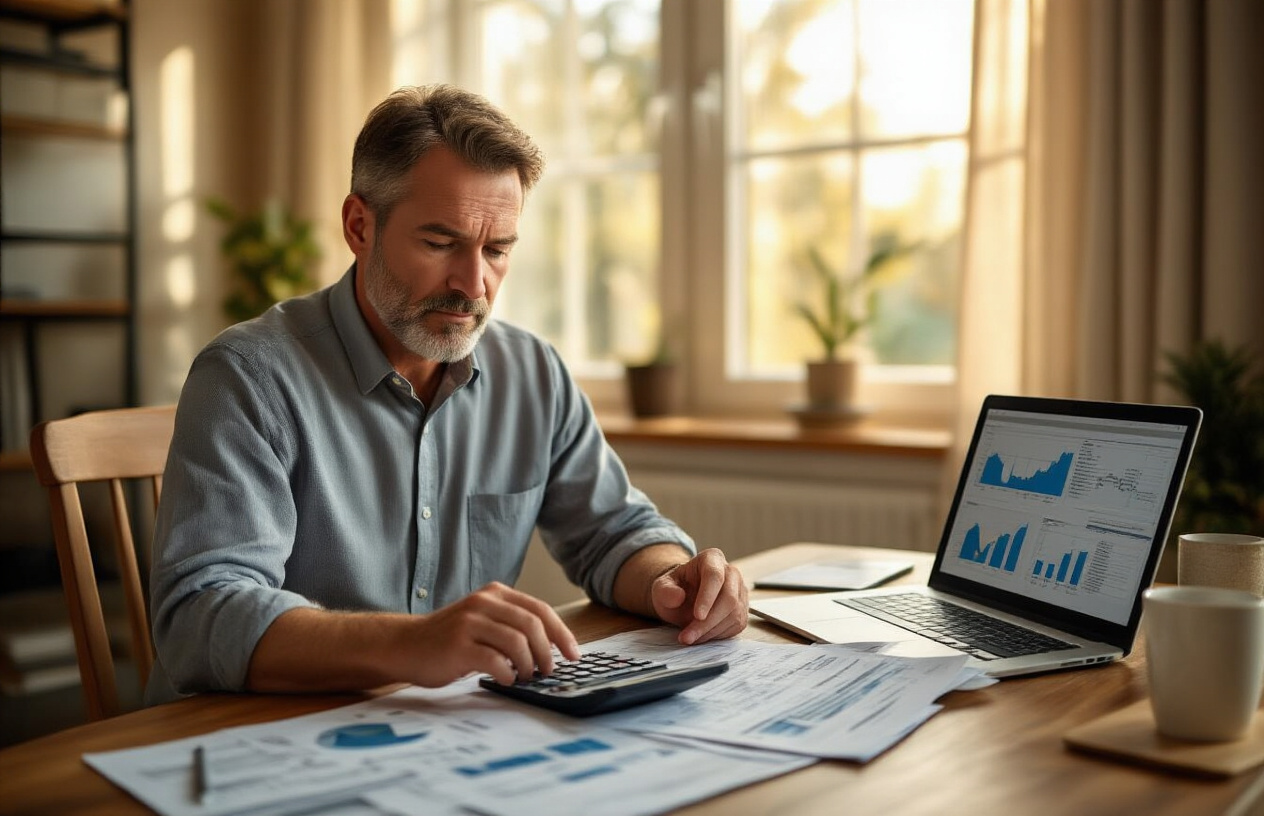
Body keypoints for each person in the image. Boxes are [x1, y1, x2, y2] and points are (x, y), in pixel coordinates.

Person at [146, 84, 748, 704]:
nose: (473, 284)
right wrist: (412, 645)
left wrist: (674, 581)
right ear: (359, 226)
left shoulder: (532, 372)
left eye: (497, 249)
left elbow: (615, 531)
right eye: (440, 243)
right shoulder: (249, 376)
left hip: (443, 737)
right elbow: (199, 616)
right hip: (246, 741)